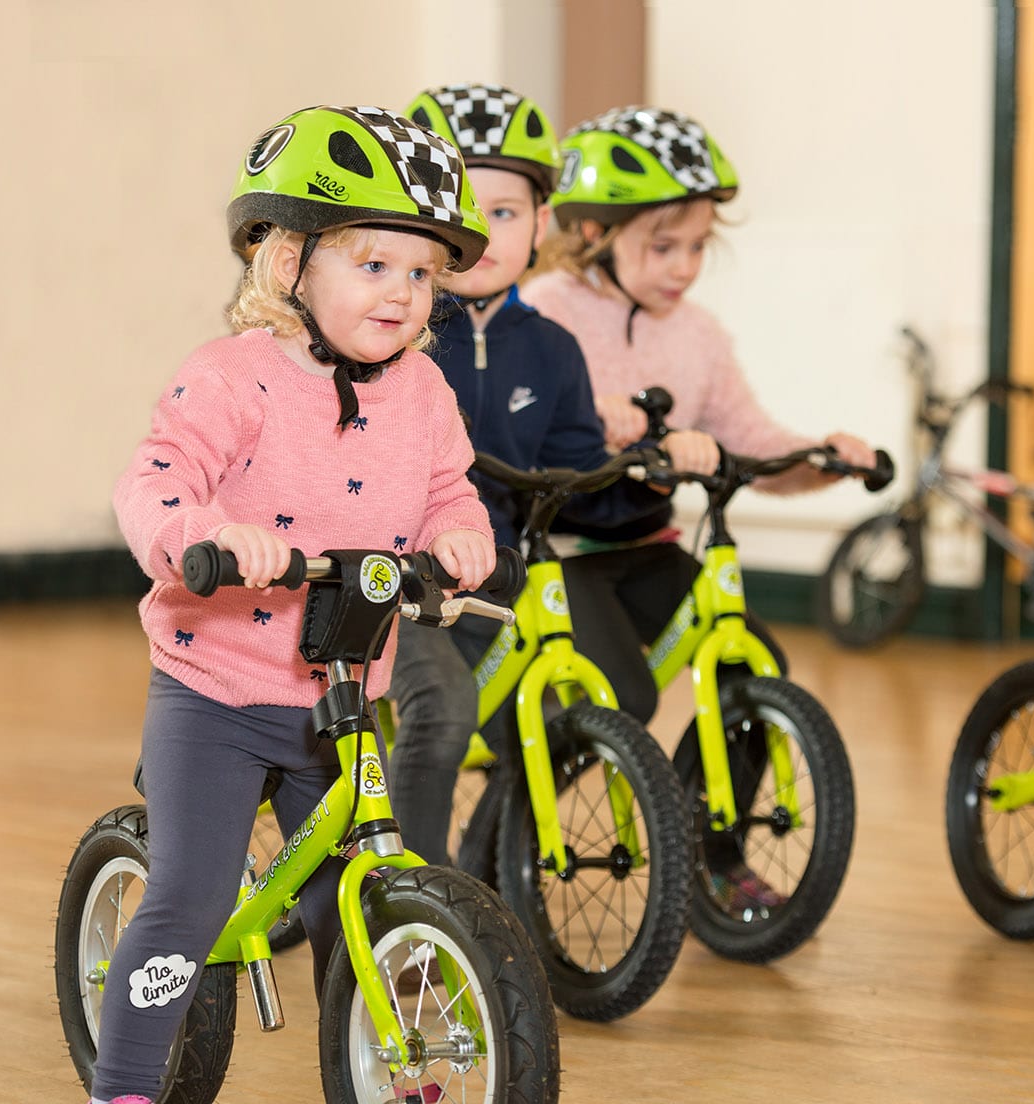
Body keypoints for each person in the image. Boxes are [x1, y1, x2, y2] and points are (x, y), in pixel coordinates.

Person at [91, 105, 495, 1104]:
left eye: (420, 272)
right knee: (186, 901)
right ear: (287, 265)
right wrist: (205, 539)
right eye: (372, 265)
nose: (402, 294)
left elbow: (451, 491)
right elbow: (158, 476)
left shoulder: (427, 392)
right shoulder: (233, 378)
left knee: (356, 896)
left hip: (345, 694)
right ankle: (127, 1086)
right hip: (215, 693)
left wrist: (459, 541)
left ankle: (395, 1070)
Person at [522, 105, 880, 908]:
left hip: (645, 545)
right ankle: (513, 834)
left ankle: (714, 854)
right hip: (563, 553)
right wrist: (607, 414)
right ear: (592, 234)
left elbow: (746, 442)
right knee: (624, 694)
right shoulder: (546, 311)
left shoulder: (700, 335)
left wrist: (822, 458)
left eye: (697, 247)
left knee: (753, 662)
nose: (684, 266)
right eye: (663, 246)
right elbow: (528, 419)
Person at [388, 83, 680, 867]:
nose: (482, 231)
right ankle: (411, 905)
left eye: (507, 213)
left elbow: (579, 484)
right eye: (461, 206)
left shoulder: (552, 349)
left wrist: (644, 480)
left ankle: (494, 866)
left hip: (496, 579)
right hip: (397, 584)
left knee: (562, 707)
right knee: (442, 712)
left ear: (542, 224)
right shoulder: (389, 331)